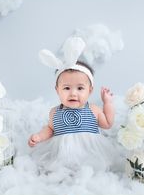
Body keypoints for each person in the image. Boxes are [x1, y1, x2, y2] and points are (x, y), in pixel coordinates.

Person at [28, 37, 117, 171]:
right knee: (54, 168)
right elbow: (50, 130)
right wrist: (39, 136)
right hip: (62, 155)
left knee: (93, 167)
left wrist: (107, 103)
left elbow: (108, 124)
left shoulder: (93, 109)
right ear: (57, 90)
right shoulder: (54, 112)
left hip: (89, 153)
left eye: (80, 88)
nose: (73, 93)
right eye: (66, 88)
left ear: (90, 90)